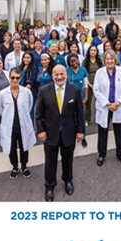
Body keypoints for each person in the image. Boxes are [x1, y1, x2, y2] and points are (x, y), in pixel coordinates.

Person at [35, 64, 86, 202]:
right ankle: (49, 186)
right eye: (56, 74)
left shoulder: (74, 90)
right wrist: (40, 130)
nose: (59, 77)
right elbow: (38, 113)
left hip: (69, 133)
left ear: (66, 75)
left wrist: (81, 131)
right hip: (50, 134)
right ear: (52, 75)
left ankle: (68, 180)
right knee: (50, 162)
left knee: (68, 159)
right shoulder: (44, 91)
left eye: (62, 74)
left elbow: (79, 113)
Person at [92, 50, 121, 167]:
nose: (109, 61)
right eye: (107, 59)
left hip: (117, 106)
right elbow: (96, 90)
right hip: (105, 107)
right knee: (102, 132)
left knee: (119, 132)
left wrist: (117, 103)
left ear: (115, 60)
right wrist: (108, 104)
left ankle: (120, 153)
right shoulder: (99, 72)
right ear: (104, 60)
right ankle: (101, 154)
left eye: (111, 59)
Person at [0, 68, 36, 179]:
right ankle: (14, 167)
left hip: (23, 125)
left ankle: (24, 166)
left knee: (24, 147)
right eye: (13, 77)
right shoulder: (2, 94)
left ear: (20, 79)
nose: (15, 80)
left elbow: (29, 106)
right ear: (9, 78)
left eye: (17, 78)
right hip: (10, 127)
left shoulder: (26, 92)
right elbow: (1, 109)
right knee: (12, 148)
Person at [65, 53, 90, 148]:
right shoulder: (66, 71)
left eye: (75, 60)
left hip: (80, 97)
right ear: (69, 62)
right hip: (69, 97)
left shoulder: (83, 70)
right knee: (70, 117)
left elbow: (85, 85)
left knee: (81, 117)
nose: (74, 63)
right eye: (71, 61)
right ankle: (71, 136)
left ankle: (83, 136)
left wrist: (86, 98)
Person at [83, 45, 102, 125]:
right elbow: (84, 74)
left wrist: (97, 84)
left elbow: (102, 72)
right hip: (88, 83)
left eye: (94, 50)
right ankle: (87, 119)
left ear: (97, 52)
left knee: (100, 102)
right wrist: (89, 84)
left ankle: (100, 118)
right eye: (91, 50)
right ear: (89, 52)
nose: (93, 52)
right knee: (88, 102)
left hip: (99, 83)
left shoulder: (99, 61)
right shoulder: (85, 61)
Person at [18, 51, 39, 121]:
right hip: (19, 92)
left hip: (30, 93)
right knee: (21, 112)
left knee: (30, 112)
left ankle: (31, 130)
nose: (26, 59)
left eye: (28, 58)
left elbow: (31, 83)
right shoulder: (20, 68)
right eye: (24, 57)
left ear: (31, 59)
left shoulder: (34, 69)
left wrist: (20, 90)